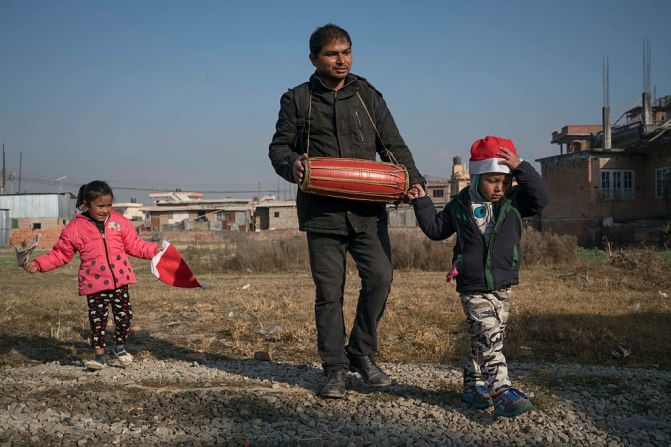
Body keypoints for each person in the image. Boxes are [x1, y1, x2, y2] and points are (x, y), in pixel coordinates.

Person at [269, 24, 424, 398]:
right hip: (322, 214)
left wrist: (412, 181)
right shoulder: (298, 99)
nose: (342, 60)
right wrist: (293, 165)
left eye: (347, 52)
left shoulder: (367, 95)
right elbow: (278, 149)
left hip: (368, 212)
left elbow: (393, 145)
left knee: (381, 278)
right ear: (314, 58)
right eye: (332, 54)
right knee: (329, 292)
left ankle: (362, 352)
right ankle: (335, 368)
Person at [408, 136, 549, 417]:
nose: (499, 188)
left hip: (503, 281)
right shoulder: (459, 205)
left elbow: (542, 198)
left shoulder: (515, 202)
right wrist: (422, 202)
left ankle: (473, 386)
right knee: (488, 336)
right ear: (476, 176)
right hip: (472, 284)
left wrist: (521, 167)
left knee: (484, 338)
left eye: (504, 181)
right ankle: (501, 390)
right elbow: (436, 229)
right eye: (492, 180)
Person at [24, 180, 160, 370]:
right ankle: (99, 357)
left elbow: (136, 245)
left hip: (120, 281)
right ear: (87, 205)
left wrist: (155, 249)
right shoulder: (75, 229)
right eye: (100, 206)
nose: (105, 210)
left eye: (109, 205)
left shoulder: (120, 223)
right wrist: (38, 264)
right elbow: (60, 254)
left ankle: (119, 347)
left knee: (125, 317)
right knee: (98, 321)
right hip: (94, 284)